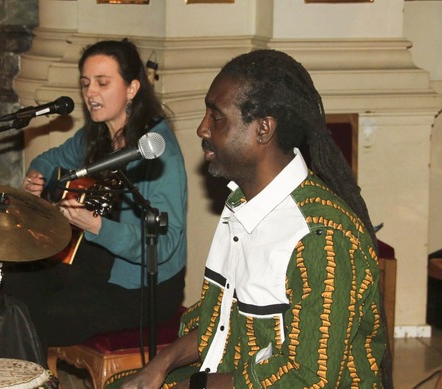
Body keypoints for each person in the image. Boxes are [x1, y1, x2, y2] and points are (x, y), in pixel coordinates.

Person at [114, 49, 389, 388]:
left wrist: (193, 386)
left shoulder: (320, 237)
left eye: (216, 117)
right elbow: (220, 321)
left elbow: (306, 379)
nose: (202, 128)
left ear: (262, 129)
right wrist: (160, 365)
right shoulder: (240, 203)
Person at [1, 39, 188, 362]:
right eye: (86, 83)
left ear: (132, 88)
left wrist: (97, 226)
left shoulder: (159, 153)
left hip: (141, 287)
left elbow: (163, 242)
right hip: (92, 262)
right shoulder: (98, 133)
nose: (90, 93)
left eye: (102, 83)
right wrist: (37, 177)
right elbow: (51, 157)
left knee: (44, 316)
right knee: (11, 284)